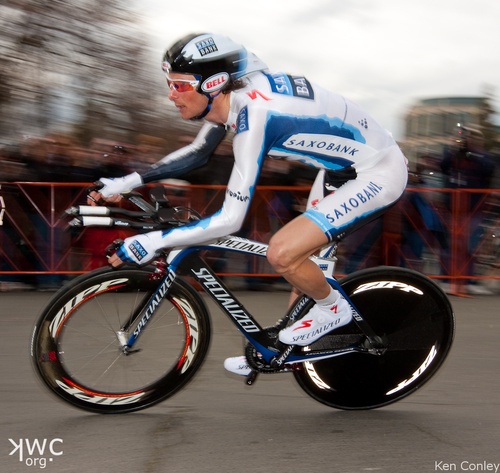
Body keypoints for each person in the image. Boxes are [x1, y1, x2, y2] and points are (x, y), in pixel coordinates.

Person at [89, 33, 408, 375]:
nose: (170, 94)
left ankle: (333, 310)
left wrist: (153, 242)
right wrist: (127, 181)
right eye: (169, 83)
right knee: (304, 264)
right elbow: (198, 153)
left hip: (378, 172)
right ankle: (280, 349)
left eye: (179, 86)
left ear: (213, 83)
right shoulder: (235, 98)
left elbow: (230, 219)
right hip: (339, 171)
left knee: (282, 252)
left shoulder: (257, 115)